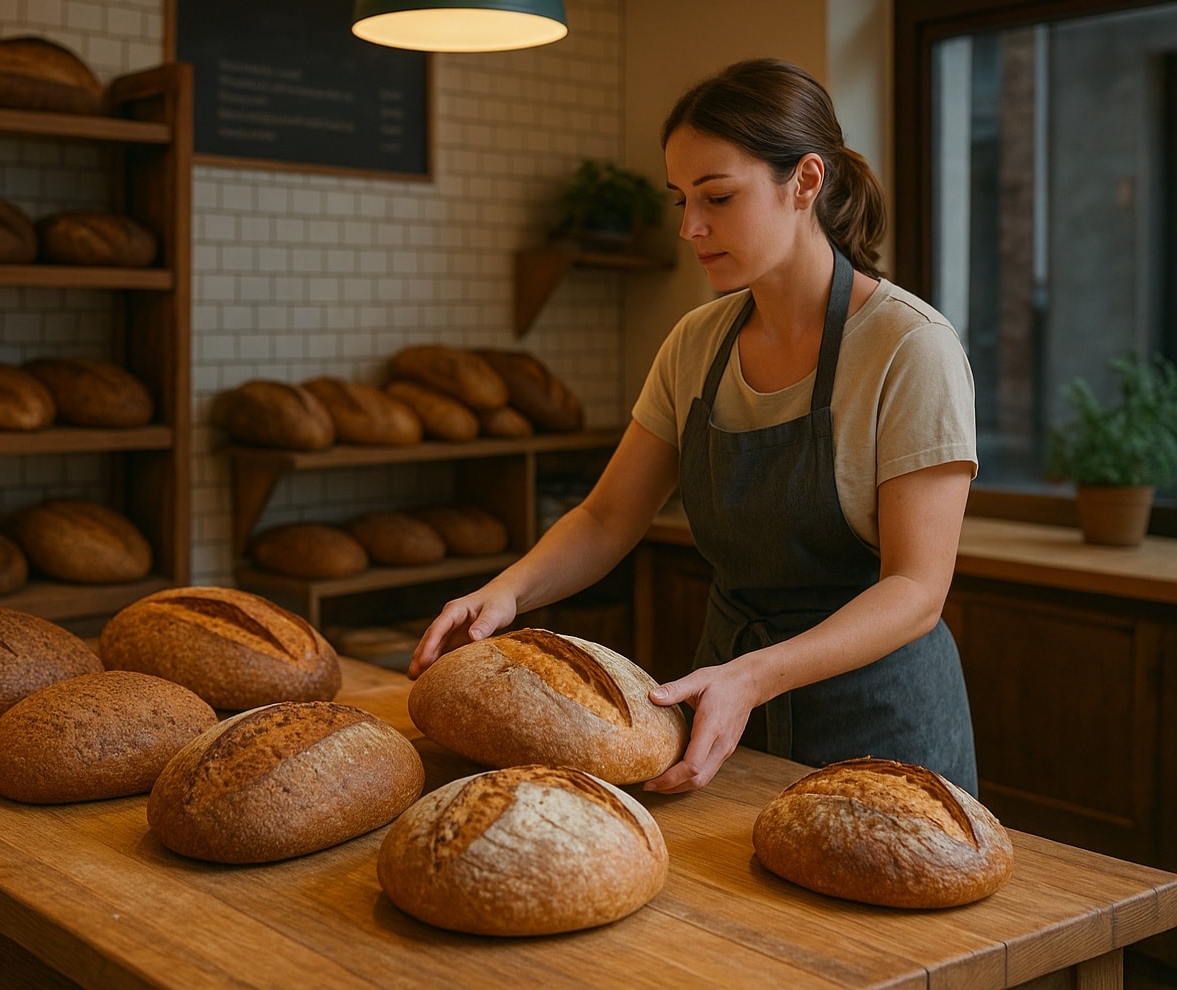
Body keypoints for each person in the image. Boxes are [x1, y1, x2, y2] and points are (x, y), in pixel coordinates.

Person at [409, 58, 980, 797]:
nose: (690, 228)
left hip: (877, 721)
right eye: (681, 199)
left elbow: (916, 589)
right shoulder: (696, 343)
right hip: (726, 709)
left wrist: (754, 675)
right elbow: (608, 516)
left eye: (717, 196)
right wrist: (509, 591)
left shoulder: (909, 347)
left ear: (805, 182)